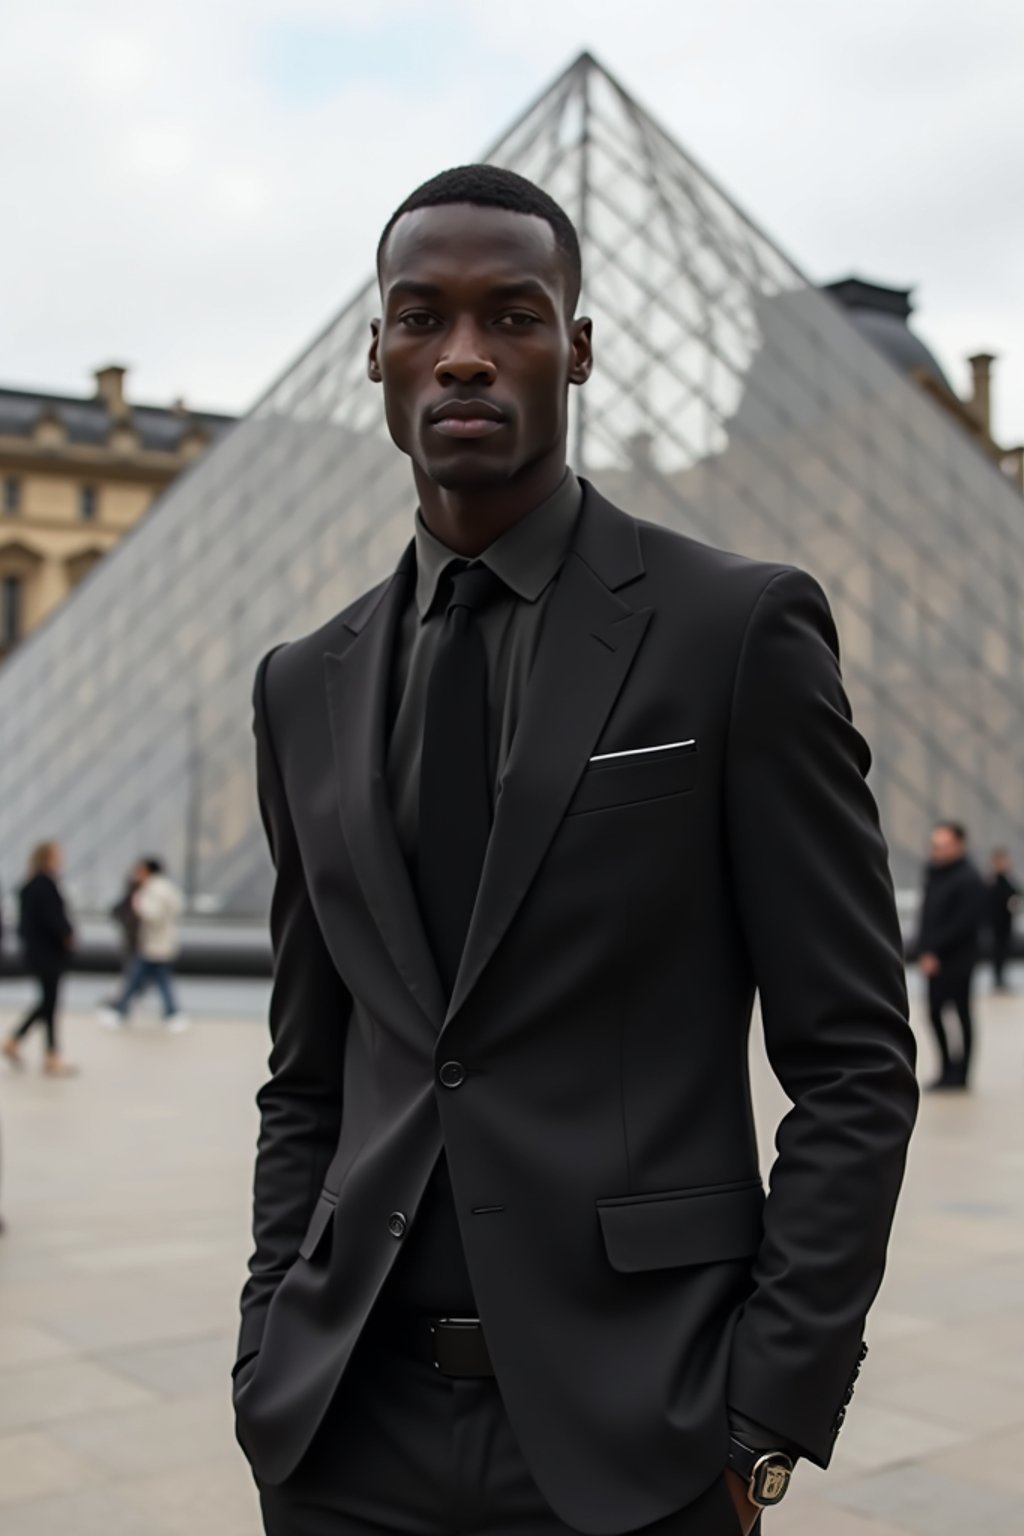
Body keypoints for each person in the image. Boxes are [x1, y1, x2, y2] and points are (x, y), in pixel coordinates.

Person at [233, 166, 918, 1536]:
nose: (466, 353)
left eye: (517, 314)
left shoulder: (735, 631)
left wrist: (765, 1415)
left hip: (639, 1444)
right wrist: (267, 1343)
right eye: (421, 317)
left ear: (581, 347)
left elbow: (853, 1061)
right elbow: (311, 1072)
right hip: (342, 1434)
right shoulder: (301, 683)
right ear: (374, 354)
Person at [916, 822, 985, 1090]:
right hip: (933, 959)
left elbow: (965, 923)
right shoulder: (934, 874)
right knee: (934, 1013)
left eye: (945, 845)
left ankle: (962, 1074)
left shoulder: (969, 877)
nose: (939, 851)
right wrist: (923, 950)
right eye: (936, 845)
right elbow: (927, 917)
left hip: (959, 958)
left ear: (960, 845)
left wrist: (935, 951)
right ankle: (946, 1069)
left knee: (961, 1012)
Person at [2, 841, 76, 1076]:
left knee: (48, 1002)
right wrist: (66, 934)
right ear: (48, 857)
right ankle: (47, 1054)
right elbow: (53, 919)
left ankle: (22, 1043)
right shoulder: (46, 886)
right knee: (49, 1002)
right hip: (49, 953)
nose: (61, 859)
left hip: (36, 952)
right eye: (58, 855)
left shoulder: (29, 886)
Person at [97, 858, 188, 1032]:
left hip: (154, 944)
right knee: (154, 980)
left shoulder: (154, 890)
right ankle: (170, 1014)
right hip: (159, 944)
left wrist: (138, 904)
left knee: (139, 979)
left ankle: (121, 1011)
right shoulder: (166, 887)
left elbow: (153, 915)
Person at [987, 847, 1019, 992]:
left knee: (1003, 952)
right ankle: (998, 980)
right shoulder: (994, 881)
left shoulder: (1006, 879)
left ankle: (1000, 979)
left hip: (1005, 923)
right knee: (998, 953)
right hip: (996, 923)